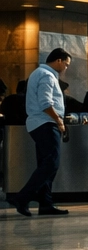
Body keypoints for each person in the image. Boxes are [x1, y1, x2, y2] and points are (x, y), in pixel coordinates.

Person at [7, 48, 72, 217]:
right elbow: (45, 103)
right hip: (46, 123)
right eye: (66, 64)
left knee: (45, 163)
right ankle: (22, 197)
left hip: (39, 123)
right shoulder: (47, 75)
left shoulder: (39, 73)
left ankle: (45, 204)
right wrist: (59, 121)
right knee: (52, 163)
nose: (66, 67)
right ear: (58, 60)